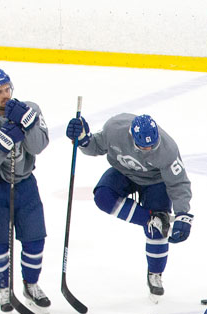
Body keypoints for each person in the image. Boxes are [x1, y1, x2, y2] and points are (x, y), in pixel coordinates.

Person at [66, 111, 192, 301]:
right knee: (103, 197)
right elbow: (95, 146)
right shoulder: (114, 128)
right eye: (144, 145)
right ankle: (152, 218)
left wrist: (183, 213)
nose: (149, 149)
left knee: (158, 232)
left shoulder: (167, 149)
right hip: (123, 173)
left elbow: (178, 183)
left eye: (152, 145)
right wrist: (83, 139)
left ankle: (155, 274)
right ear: (132, 137)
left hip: (155, 181)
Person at [0, 68, 50, 314]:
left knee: (35, 238)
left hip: (26, 184)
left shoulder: (30, 109)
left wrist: (29, 124)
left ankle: (31, 285)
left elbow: (39, 145)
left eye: (6, 89)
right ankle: (4, 290)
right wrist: (3, 142)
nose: (4, 95)